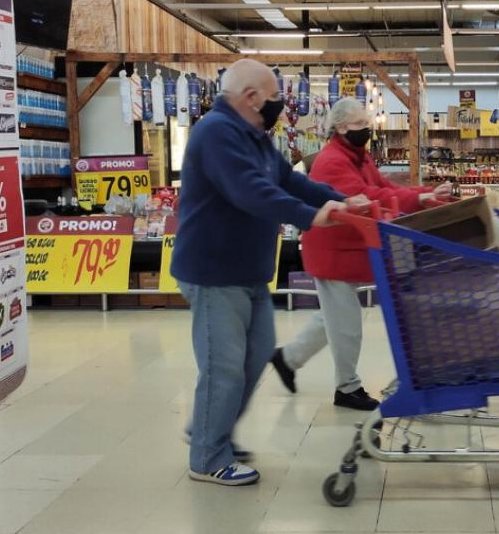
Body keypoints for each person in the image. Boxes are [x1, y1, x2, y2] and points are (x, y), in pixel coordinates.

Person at [171, 59, 359, 487]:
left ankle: (207, 430)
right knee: (224, 367)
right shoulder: (217, 133)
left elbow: (290, 182)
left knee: (255, 356)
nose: (280, 105)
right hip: (214, 271)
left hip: (248, 270)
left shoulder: (254, 136)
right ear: (251, 97)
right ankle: (207, 456)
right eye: (275, 98)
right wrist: (313, 217)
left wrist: (341, 201)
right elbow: (252, 193)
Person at [269, 98, 452, 410]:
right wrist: (418, 198)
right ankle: (347, 388)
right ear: (341, 128)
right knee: (346, 323)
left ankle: (287, 358)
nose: (367, 129)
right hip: (332, 250)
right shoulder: (332, 161)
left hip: (350, 247)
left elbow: (383, 185)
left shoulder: (359, 157)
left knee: (333, 316)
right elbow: (368, 196)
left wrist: (421, 195)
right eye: (359, 125)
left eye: (368, 124)